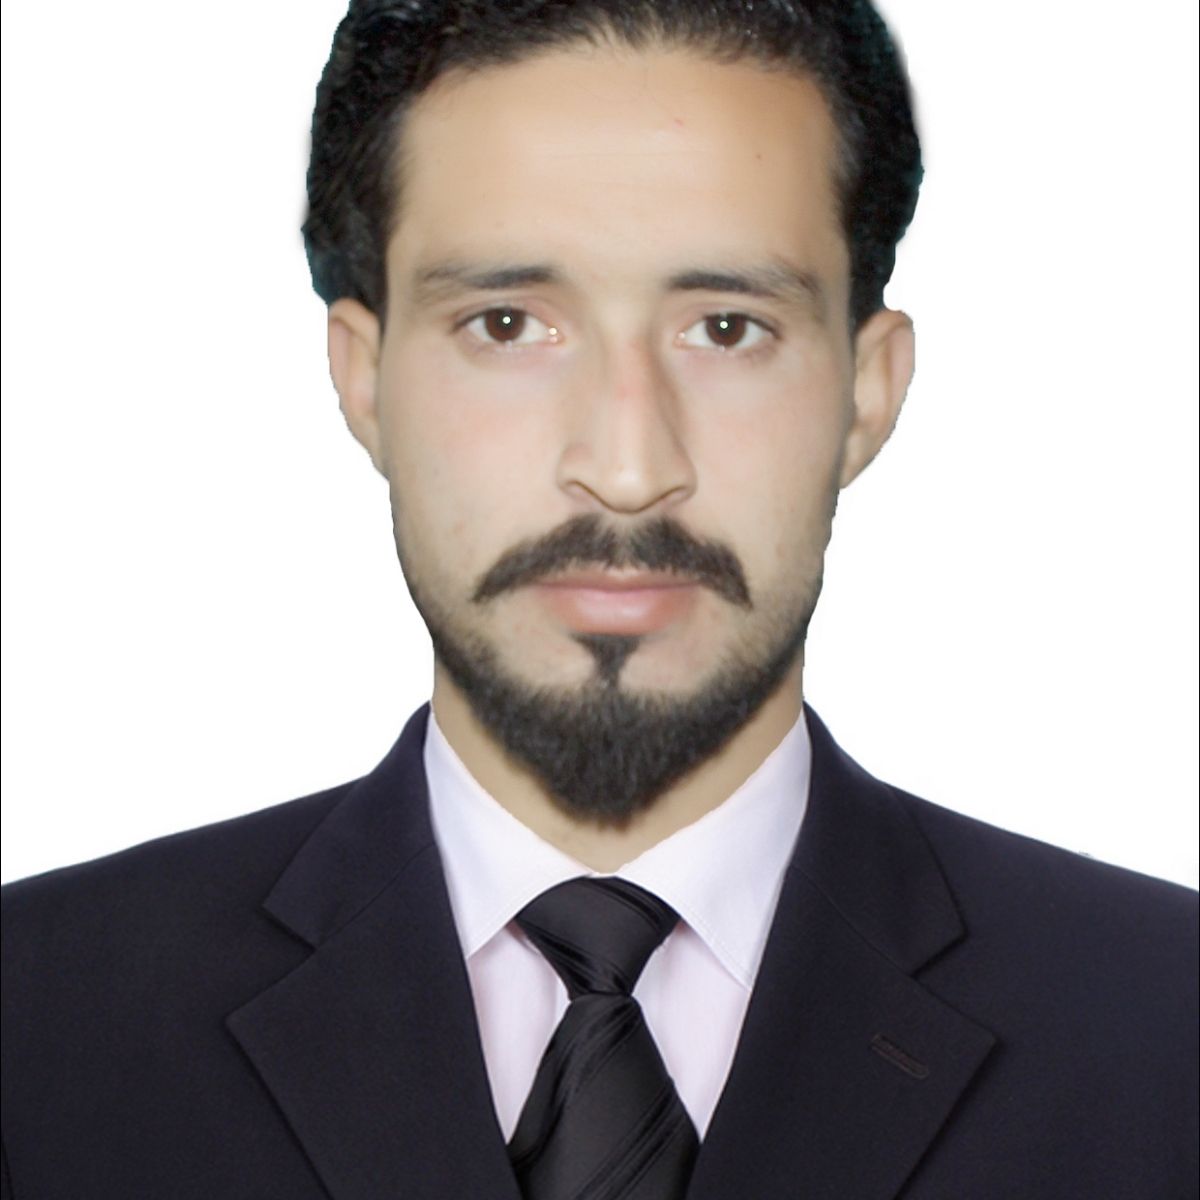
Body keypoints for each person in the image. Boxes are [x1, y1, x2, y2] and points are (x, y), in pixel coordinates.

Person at [2, 2, 1196, 1197]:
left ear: (868, 392)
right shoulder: (36, 1024)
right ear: (362, 380)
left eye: (727, 328)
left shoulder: (1167, 1034)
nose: (628, 468)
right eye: (507, 325)